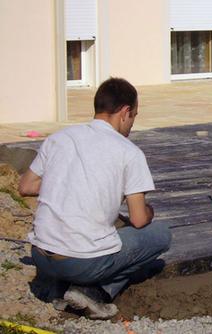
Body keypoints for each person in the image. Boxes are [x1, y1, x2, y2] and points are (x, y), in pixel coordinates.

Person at [18, 77, 171, 319]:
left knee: (106, 228)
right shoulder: (128, 152)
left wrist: (65, 182)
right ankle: (93, 291)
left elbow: (26, 186)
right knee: (161, 234)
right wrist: (149, 211)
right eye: (134, 116)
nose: (131, 124)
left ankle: (58, 286)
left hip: (41, 255)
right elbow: (139, 220)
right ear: (125, 111)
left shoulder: (60, 138)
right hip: (81, 264)